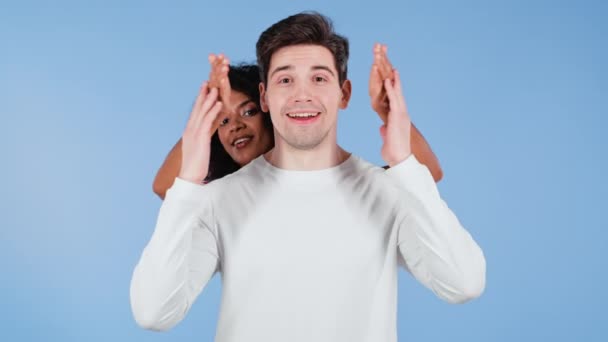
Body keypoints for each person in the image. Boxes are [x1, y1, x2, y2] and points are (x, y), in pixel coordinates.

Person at [130, 12, 486, 342]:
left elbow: (464, 283)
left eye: (318, 78)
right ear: (266, 97)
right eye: (286, 79)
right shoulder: (218, 199)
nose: (302, 94)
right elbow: (153, 313)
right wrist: (190, 177)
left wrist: (403, 162)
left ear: (343, 94)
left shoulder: (389, 191)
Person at [152, 47, 443, 199]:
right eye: (223, 121)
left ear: (270, 111)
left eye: (249, 111)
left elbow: (424, 175)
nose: (235, 126)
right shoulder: (226, 195)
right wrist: (207, 118)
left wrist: (389, 112)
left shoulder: (341, 180)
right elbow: (167, 187)